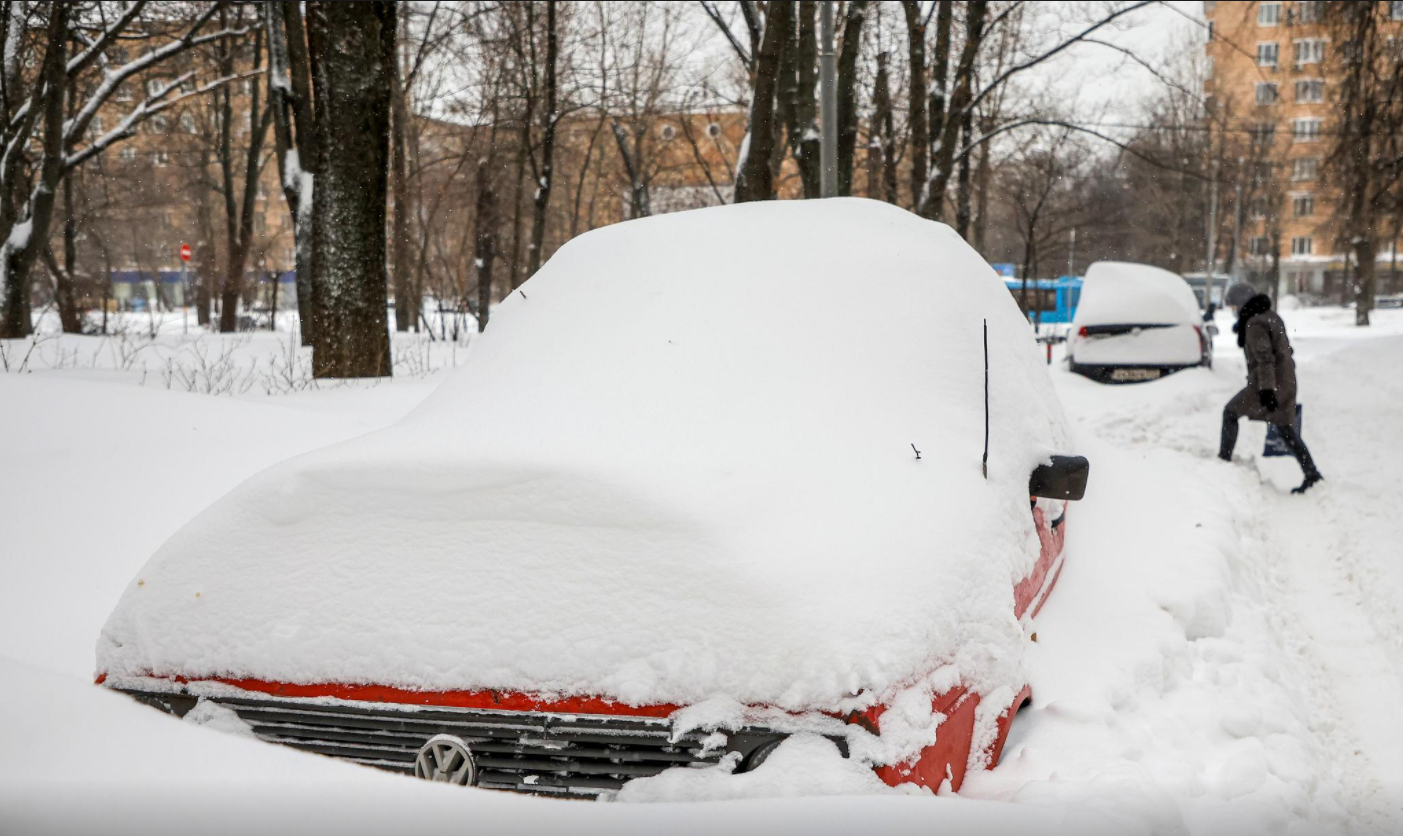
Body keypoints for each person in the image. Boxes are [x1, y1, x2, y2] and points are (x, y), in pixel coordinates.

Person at [1218, 294, 1323, 494]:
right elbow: (1285, 350)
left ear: (1242, 306)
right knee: (1285, 429)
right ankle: (1312, 474)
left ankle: (1223, 460)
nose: (1233, 311)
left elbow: (1265, 359)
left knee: (1230, 412)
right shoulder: (1271, 316)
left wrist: (1267, 390)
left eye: (1234, 306)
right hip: (1286, 381)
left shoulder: (1255, 324)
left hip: (1268, 384)